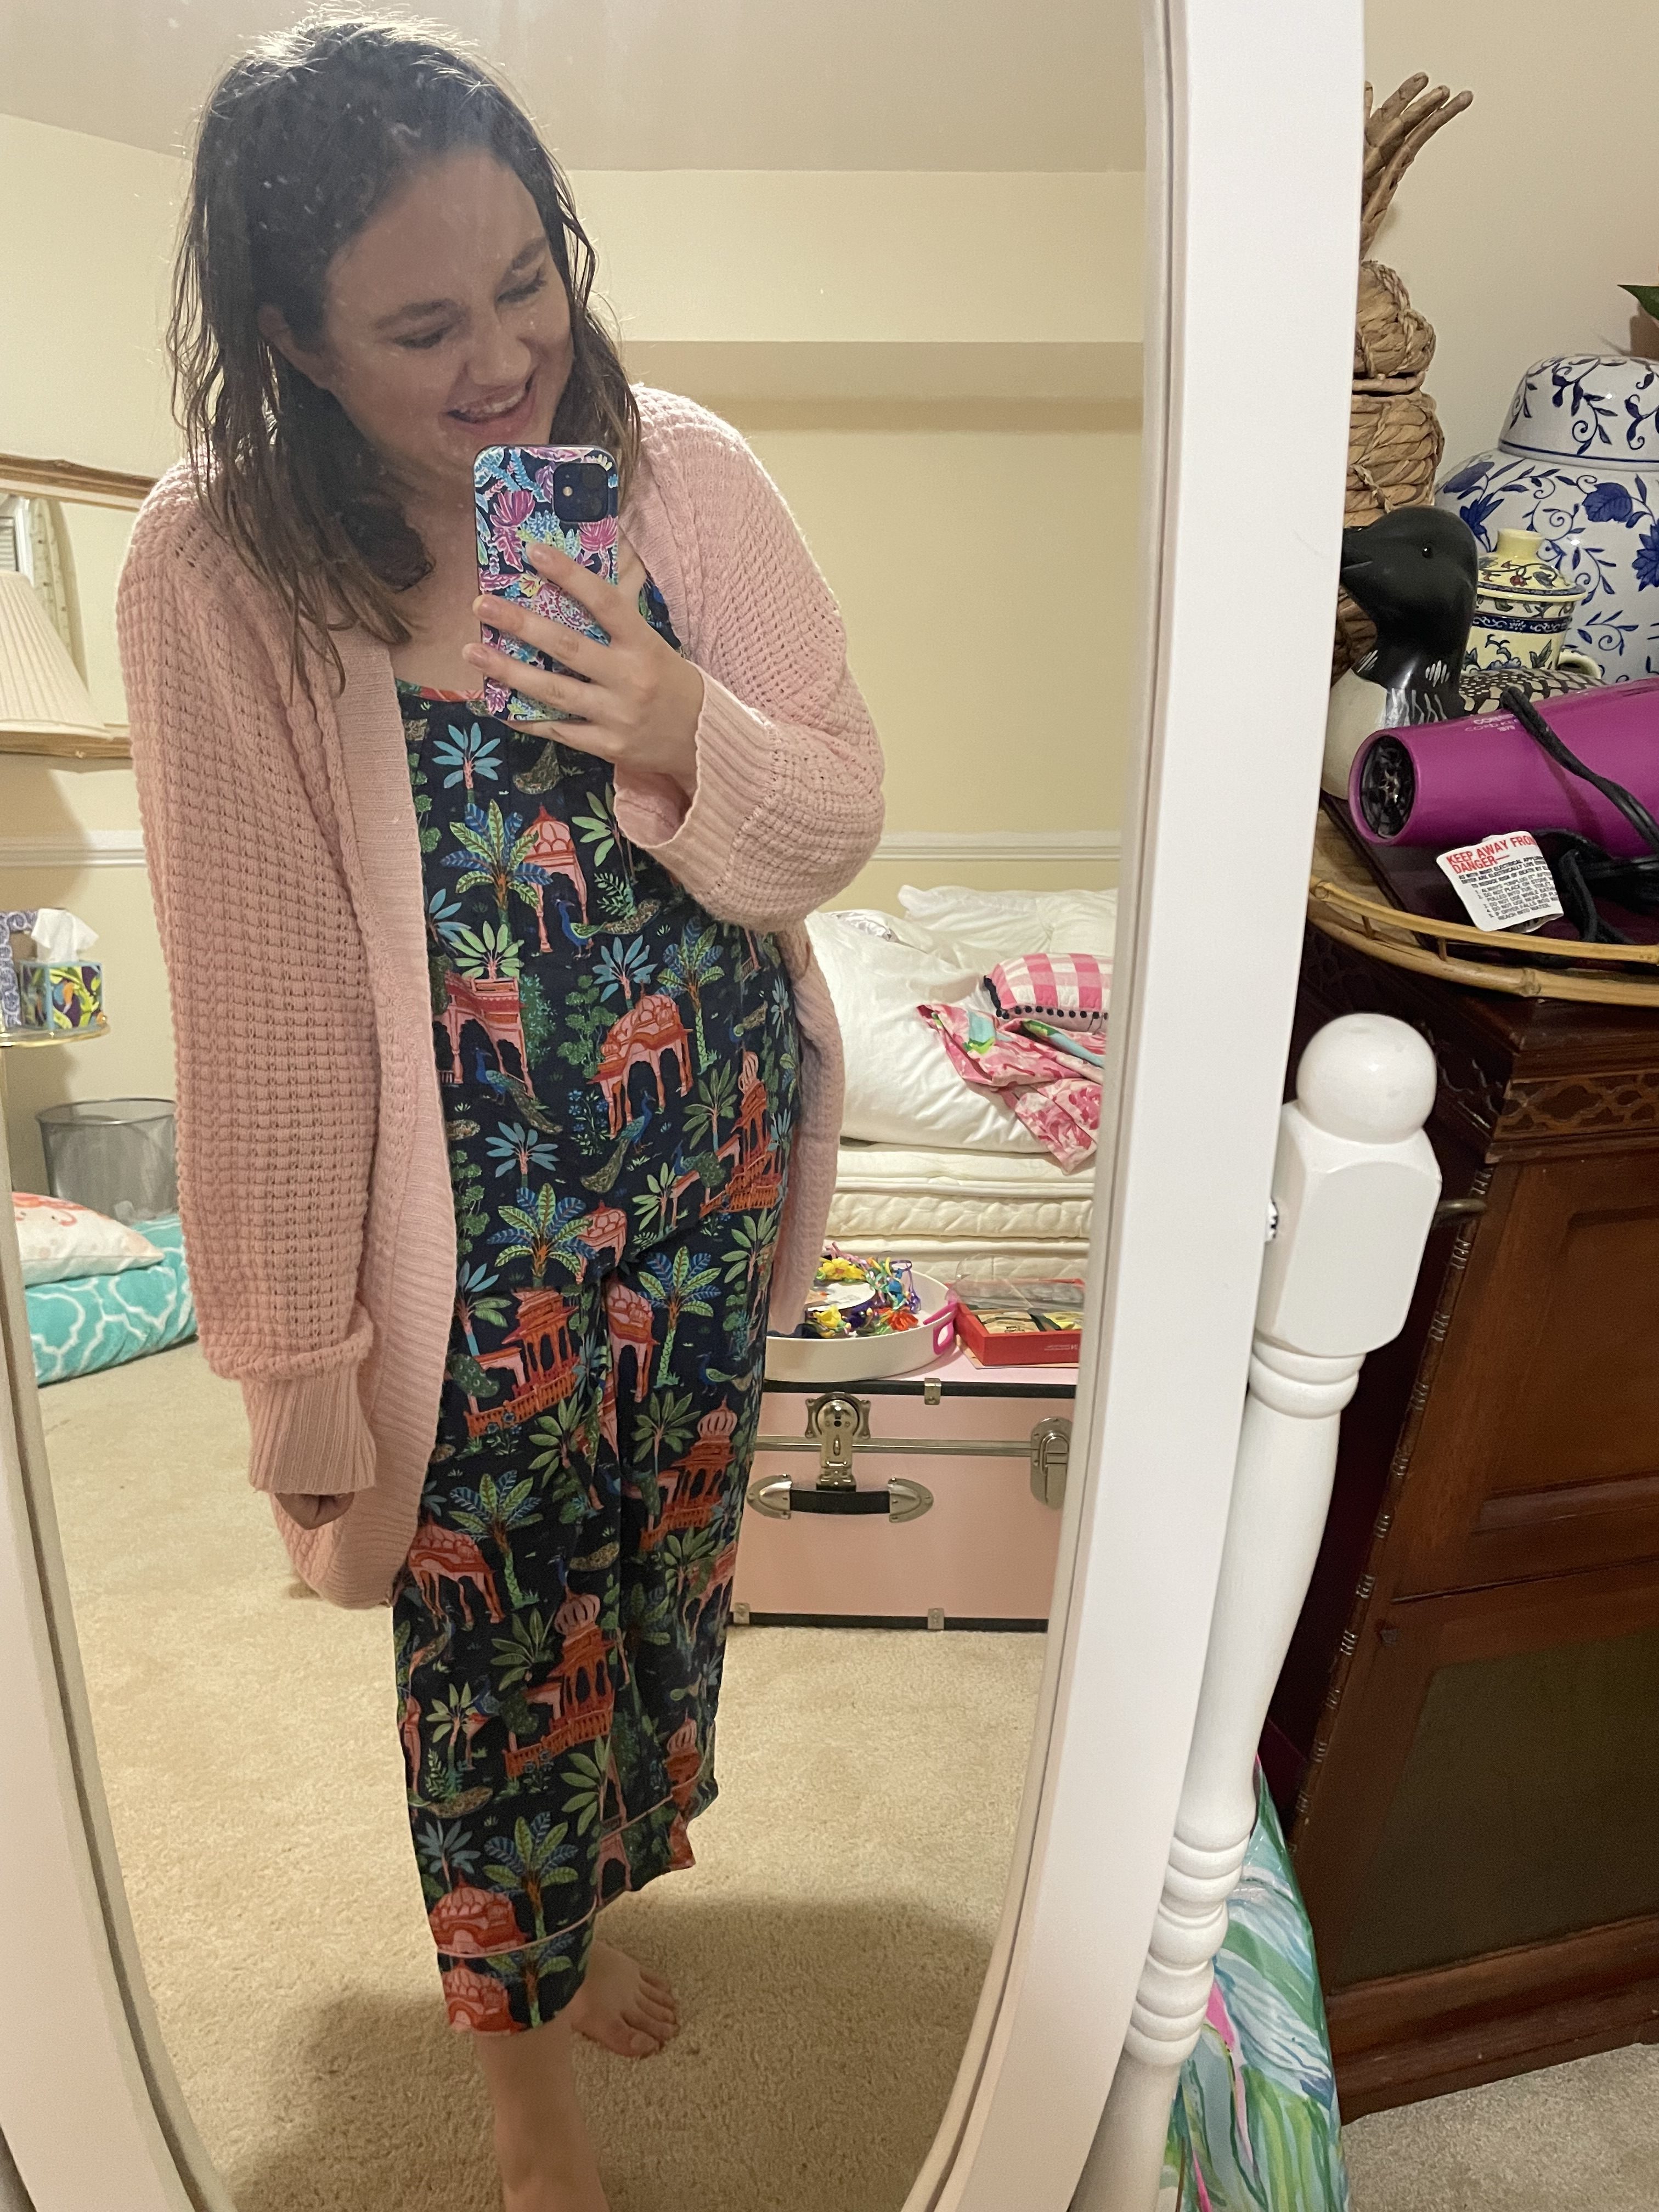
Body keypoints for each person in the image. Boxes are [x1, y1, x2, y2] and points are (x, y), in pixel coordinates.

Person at [116, 16, 882, 2209]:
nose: (505, 363)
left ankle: (591, 1916)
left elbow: (834, 814)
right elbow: (263, 1006)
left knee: (648, 1602)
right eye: (423, 326)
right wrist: (292, 1358)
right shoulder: (222, 566)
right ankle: (524, 2098)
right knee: (493, 1658)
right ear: (293, 336)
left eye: (528, 281)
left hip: (706, 1187)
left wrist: (676, 711)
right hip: (472, 1267)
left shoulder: (685, 475)